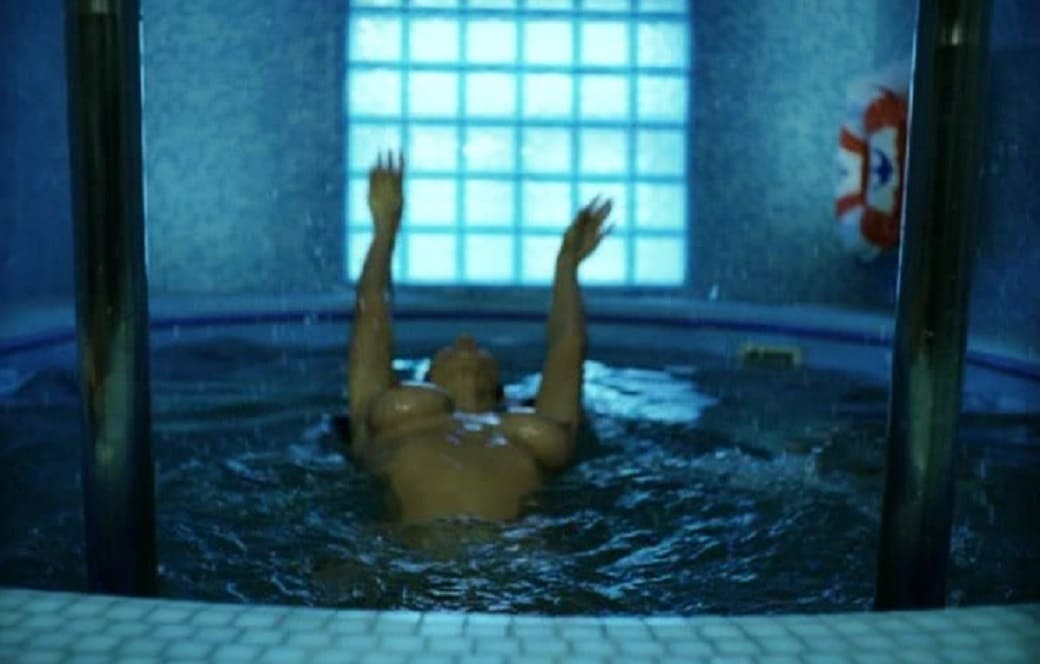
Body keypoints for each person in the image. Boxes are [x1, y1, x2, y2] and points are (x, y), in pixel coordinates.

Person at [348, 151, 612, 522]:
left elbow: (568, 348)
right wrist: (385, 230)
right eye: (449, 349)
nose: (466, 341)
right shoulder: (383, 418)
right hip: (408, 546)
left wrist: (567, 264)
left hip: (520, 550)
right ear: (426, 379)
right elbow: (370, 315)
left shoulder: (533, 426)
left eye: (479, 350)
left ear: (502, 391)